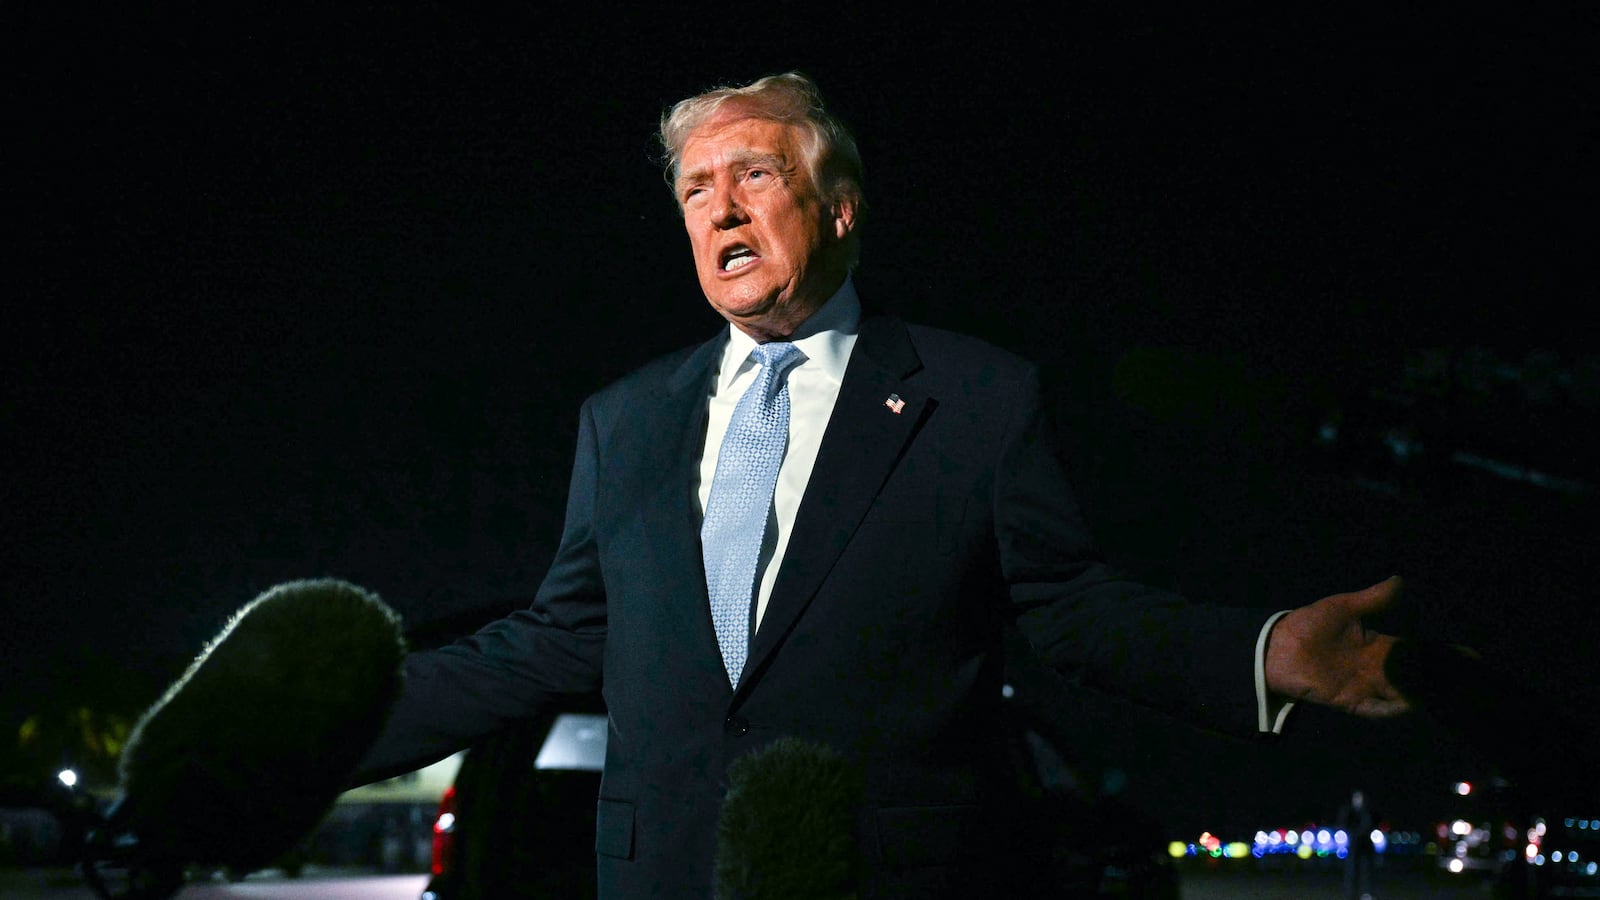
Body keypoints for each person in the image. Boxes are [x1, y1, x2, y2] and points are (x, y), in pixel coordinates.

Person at [354, 71, 1411, 899]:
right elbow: (558, 637)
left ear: (841, 211)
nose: (720, 210)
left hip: (890, 876)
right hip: (665, 878)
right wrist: (320, 728)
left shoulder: (974, 397)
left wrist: (1264, 653)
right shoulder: (622, 421)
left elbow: (1069, 609)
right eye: (694, 190)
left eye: (754, 177)